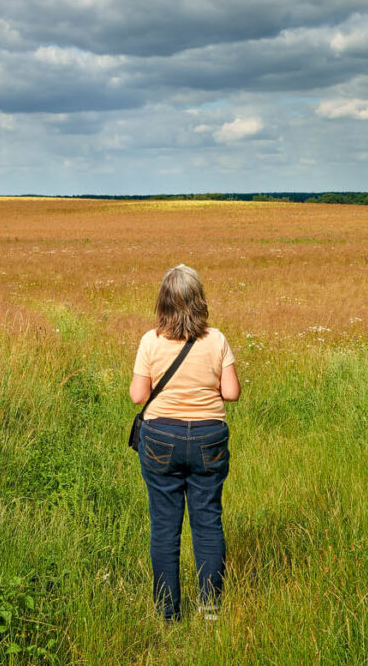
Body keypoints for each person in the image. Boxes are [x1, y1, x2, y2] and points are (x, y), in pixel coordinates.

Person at [129, 264, 241, 623]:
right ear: (198, 301)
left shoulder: (150, 341)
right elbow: (232, 393)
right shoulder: (217, 339)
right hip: (209, 438)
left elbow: (137, 396)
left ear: (163, 302)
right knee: (207, 523)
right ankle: (209, 609)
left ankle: (168, 614)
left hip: (161, 437)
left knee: (165, 527)